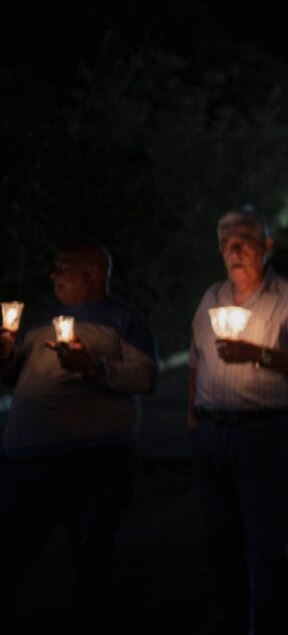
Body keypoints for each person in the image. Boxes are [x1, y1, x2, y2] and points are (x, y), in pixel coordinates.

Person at [0, 238, 158, 630]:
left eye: (63, 265)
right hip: (27, 460)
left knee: (90, 555)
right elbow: (12, 379)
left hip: (91, 459)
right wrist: (4, 356)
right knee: (9, 551)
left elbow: (146, 376)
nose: (53, 274)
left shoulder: (126, 320)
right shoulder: (39, 321)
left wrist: (94, 366)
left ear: (94, 271)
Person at [186, 205, 288, 635]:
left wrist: (258, 354)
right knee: (220, 545)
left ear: (266, 245)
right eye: (226, 240)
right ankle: (231, 623)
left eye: (244, 238)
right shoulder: (211, 298)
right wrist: (194, 418)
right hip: (212, 434)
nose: (235, 247)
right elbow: (195, 363)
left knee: (266, 547)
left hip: (266, 433)